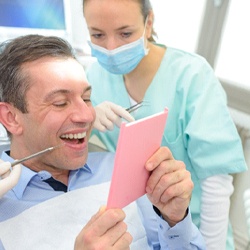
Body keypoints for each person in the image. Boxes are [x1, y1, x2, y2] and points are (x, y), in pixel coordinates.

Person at [0, 34, 206, 250]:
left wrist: (175, 220)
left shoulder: (121, 168)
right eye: (60, 103)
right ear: (11, 118)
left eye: (87, 99)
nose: (87, 116)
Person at [82, 0, 248, 249]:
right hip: (137, 226)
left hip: (194, 226)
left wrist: (210, 245)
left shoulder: (192, 76)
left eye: (125, 33)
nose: (111, 47)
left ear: (148, 23)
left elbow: (217, 182)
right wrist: (89, 120)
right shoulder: (94, 76)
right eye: (97, 34)